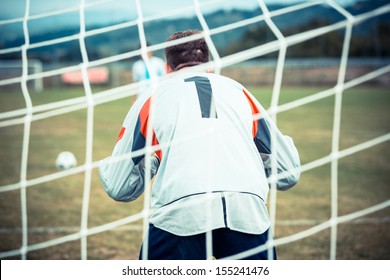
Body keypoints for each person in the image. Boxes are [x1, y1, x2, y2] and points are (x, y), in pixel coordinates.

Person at [99, 30, 301, 260]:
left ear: (167, 68)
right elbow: (289, 171)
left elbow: (118, 186)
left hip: (180, 211)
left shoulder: (152, 98)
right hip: (247, 210)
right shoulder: (241, 93)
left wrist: (154, 158)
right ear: (211, 65)